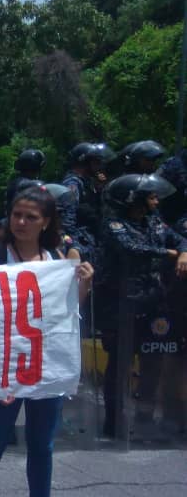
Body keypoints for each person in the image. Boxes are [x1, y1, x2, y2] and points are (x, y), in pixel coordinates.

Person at [0, 186, 93, 497]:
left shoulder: (60, 257)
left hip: (46, 368)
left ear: (47, 222)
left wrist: (83, 281)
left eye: (30, 217)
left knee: (42, 444)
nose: (20, 222)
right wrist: (0, 376)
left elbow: (70, 312)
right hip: (3, 370)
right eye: (16, 214)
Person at [94, 174, 187, 439]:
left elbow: (177, 238)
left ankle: (145, 417)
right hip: (120, 305)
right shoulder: (114, 225)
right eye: (151, 196)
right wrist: (169, 255)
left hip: (154, 301)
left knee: (153, 360)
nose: (157, 201)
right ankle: (113, 422)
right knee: (120, 364)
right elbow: (131, 248)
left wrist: (183, 252)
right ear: (133, 199)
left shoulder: (155, 223)